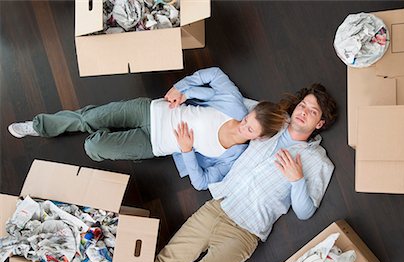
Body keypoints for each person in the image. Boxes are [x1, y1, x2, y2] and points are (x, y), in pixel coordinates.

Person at [118, 83, 338, 262]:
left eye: (312, 111)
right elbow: (232, 100)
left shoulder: (318, 162)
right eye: (303, 105)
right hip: (216, 208)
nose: (303, 111)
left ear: (320, 124)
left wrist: (297, 180)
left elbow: (305, 212)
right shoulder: (274, 121)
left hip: (245, 231)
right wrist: (186, 92)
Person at [7, 67, 288, 190]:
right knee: (87, 119)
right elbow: (214, 74)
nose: (242, 126)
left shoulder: (232, 156)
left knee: (92, 147)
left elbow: (202, 182)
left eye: (250, 131)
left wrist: (187, 151)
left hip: (154, 144)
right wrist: (182, 87)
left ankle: (110, 139)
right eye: (247, 120)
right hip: (150, 110)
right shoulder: (234, 105)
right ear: (249, 112)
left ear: (259, 138)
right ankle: (38, 126)